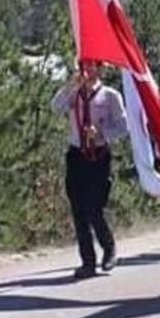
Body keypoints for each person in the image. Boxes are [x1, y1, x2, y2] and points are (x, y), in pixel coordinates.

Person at [51, 61, 128, 280]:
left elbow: (123, 127)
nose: (88, 70)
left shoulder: (110, 96)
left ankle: (108, 246)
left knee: (95, 208)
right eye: (84, 65)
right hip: (77, 155)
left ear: (100, 69)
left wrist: (101, 133)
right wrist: (71, 86)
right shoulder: (74, 93)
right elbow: (56, 107)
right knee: (78, 210)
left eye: (93, 65)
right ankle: (88, 262)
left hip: (99, 155)